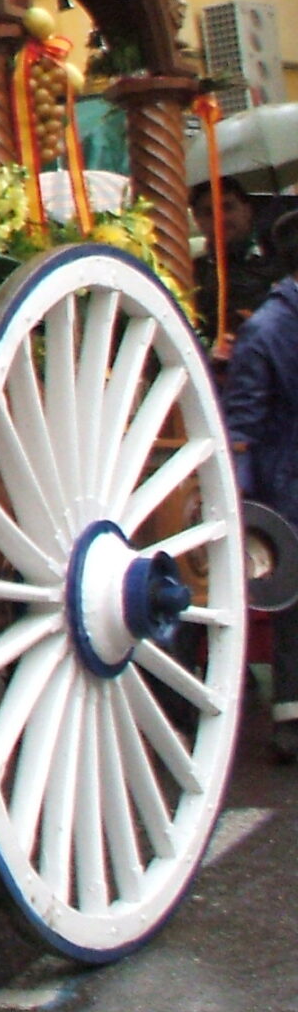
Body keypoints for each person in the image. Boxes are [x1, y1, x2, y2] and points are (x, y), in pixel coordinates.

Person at [224, 211, 298, 761]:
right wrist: (246, 507)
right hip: (286, 479)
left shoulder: (268, 325)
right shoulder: (268, 327)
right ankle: (290, 717)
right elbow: (243, 426)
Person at [194, 180, 277, 353]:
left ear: (247, 210)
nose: (220, 218)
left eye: (228, 207)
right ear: (197, 220)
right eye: (209, 213)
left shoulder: (280, 260)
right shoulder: (194, 276)